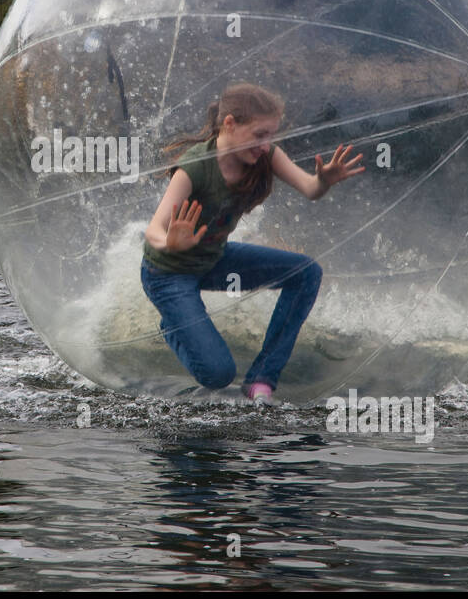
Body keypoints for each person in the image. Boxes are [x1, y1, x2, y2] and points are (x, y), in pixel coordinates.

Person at [141, 83, 364, 401]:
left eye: (271, 135)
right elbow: (153, 231)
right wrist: (171, 243)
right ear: (229, 124)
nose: (265, 144)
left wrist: (324, 181)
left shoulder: (265, 155)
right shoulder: (193, 170)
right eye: (259, 134)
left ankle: (262, 378)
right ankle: (175, 326)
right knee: (218, 375)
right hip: (168, 272)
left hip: (213, 259)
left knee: (305, 273)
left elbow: (310, 189)